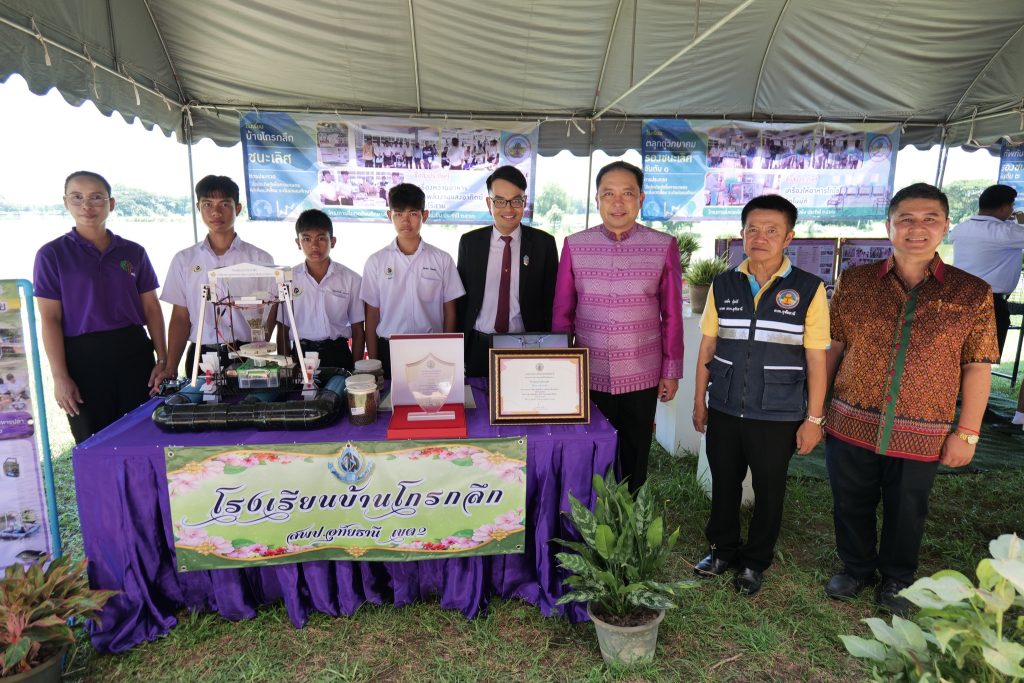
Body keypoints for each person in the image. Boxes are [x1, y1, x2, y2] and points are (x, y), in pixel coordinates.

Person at [823, 183, 998, 615]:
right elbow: (834, 346)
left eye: (929, 219)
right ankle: (856, 567)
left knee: (908, 507)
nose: (916, 228)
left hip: (923, 428)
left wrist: (968, 433)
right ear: (889, 226)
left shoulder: (972, 292)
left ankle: (897, 577)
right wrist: (816, 411)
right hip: (850, 419)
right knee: (850, 498)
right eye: (906, 219)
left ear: (946, 226)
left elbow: (977, 366)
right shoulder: (855, 282)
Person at [691, 195, 829, 595]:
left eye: (772, 230)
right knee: (724, 481)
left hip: (778, 411)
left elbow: (816, 359)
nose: (760, 237)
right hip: (725, 404)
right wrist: (699, 401)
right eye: (752, 229)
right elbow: (708, 345)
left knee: (769, 489)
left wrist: (813, 419)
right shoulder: (724, 283)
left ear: (789, 237)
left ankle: (755, 561)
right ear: (742, 233)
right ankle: (721, 550)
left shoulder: (808, 289)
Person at [552, 161, 684, 491]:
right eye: (608, 194)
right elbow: (562, 313)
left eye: (627, 193)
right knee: (589, 449)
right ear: (596, 199)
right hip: (588, 371)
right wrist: (559, 368)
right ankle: (590, 513)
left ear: (641, 198)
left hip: (642, 371)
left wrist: (671, 371)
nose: (618, 202)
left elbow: (671, 314)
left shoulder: (663, 245)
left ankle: (630, 516)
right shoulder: (575, 245)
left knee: (635, 451)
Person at [34, 171, 167, 443]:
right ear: (66, 202)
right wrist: (60, 377)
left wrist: (163, 359)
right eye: (77, 197)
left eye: (96, 197)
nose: (87, 205)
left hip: (134, 353)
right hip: (82, 359)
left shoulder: (133, 252)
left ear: (111, 203)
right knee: (93, 441)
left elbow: (152, 309)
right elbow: (49, 319)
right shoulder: (52, 254)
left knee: (144, 436)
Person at [161, 175, 274, 378]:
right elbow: (179, 317)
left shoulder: (260, 259)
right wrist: (170, 367)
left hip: (247, 353)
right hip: (201, 353)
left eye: (224, 204)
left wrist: (260, 350)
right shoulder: (184, 260)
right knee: (199, 398)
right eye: (207, 204)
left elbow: (271, 310)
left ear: (237, 208)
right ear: (198, 207)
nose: (216, 212)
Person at [456, 166, 558, 376]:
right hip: (478, 345)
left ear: (524, 202)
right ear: (489, 203)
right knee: (477, 396)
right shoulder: (470, 243)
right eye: (500, 201)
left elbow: (551, 301)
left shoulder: (543, 244)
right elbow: (462, 300)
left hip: (526, 346)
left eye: (516, 201)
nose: (509, 209)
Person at [359, 183, 465, 378]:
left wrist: (445, 352)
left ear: (425, 215)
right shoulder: (376, 262)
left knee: (430, 396)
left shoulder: (442, 259)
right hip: (388, 349)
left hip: (431, 350)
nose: (405, 221)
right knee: (388, 397)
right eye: (398, 214)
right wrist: (374, 363)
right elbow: (371, 315)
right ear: (389, 215)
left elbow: (450, 312)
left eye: (413, 214)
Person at [284, 209, 364, 371]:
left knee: (337, 387)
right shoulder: (287, 279)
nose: (314, 245)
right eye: (307, 239)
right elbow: (283, 329)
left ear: (332, 241)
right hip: (300, 355)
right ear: (298, 243)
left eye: (321, 238)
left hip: (338, 354)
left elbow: (358, 329)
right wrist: (286, 368)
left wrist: (356, 371)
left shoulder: (351, 279)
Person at [949, 184, 1024, 356]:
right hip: (990, 304)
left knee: (957, 356)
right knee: (983, 360)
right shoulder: (1006, 232)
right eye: (1011, 206)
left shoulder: (961, 229)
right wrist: (1021, 220)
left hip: (959, 299)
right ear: (1004, 208)